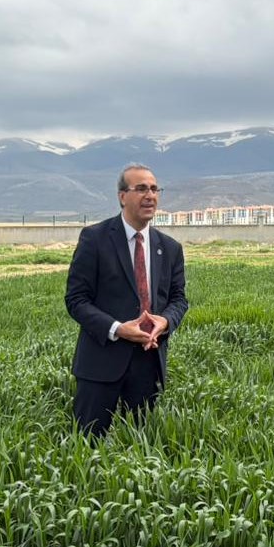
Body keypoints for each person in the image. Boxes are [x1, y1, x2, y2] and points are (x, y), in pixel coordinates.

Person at [64, 163, 189, 437]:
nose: (150, 195)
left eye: (155, 189)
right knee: (87, 446)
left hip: (149, 363)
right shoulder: (95, 238)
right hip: (100, 364)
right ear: (122, 196)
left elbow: (179, 299)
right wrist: (117, 328)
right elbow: (76, 299)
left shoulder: (169, 248)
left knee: (141, 450)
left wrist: (165, 321)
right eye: (141, 188)